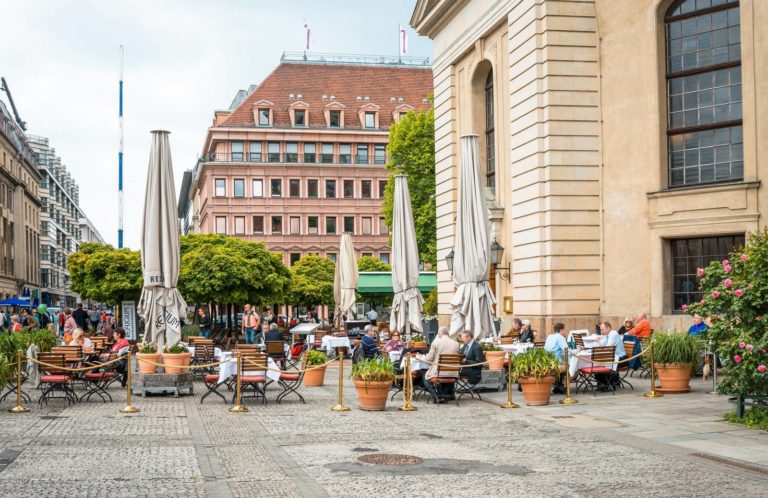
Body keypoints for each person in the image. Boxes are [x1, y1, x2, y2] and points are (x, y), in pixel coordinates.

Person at [418, 327, 460, 402]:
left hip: (438, 373)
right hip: (453, 374)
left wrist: (421, 357)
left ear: (440, 334)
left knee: (425, 377)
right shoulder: (456, 344)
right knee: (444, 374)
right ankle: (445, 395)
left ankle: (436, 396)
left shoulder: (436, 343)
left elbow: (429, 359)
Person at [545, 323, 570, 393]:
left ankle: (558, 384)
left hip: (547, 362)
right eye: (565, 330)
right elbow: (567, 351)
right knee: (571, 366)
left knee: (563, 364)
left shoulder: (549, 336)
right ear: (561, 330)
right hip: (553, 364)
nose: (566, 331)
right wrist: (577, 350)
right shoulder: (560, 337)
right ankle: (560, 385)